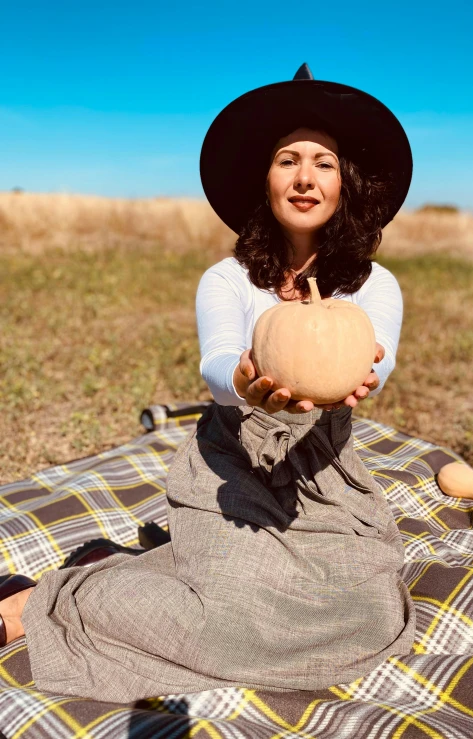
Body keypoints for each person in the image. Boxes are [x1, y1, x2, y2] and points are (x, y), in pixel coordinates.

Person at [0, 64, 416, 703]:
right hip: (233, 469)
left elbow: (376, 362)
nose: (305, 177)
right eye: (287, 160)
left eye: (323, 163)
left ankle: (128, 570)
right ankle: (54, 598)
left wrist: (364, 376)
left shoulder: (374, 285)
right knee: (227, 622)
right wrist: (247, 385)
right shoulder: (226, 280)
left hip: (325, 475)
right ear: (265, 179)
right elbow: (217, 364)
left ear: (346, 183)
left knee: (373, 614)